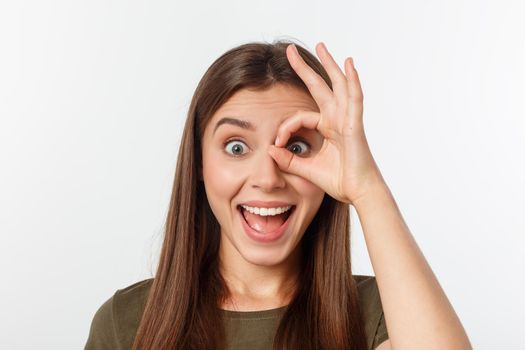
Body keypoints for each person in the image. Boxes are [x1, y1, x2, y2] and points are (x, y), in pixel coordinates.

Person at [85, 40, 472, 350]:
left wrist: (366, 187)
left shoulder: (380, 314)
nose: (268, 179)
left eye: (298, 147)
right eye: (236, 147)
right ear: (199, 165)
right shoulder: (127, 323)